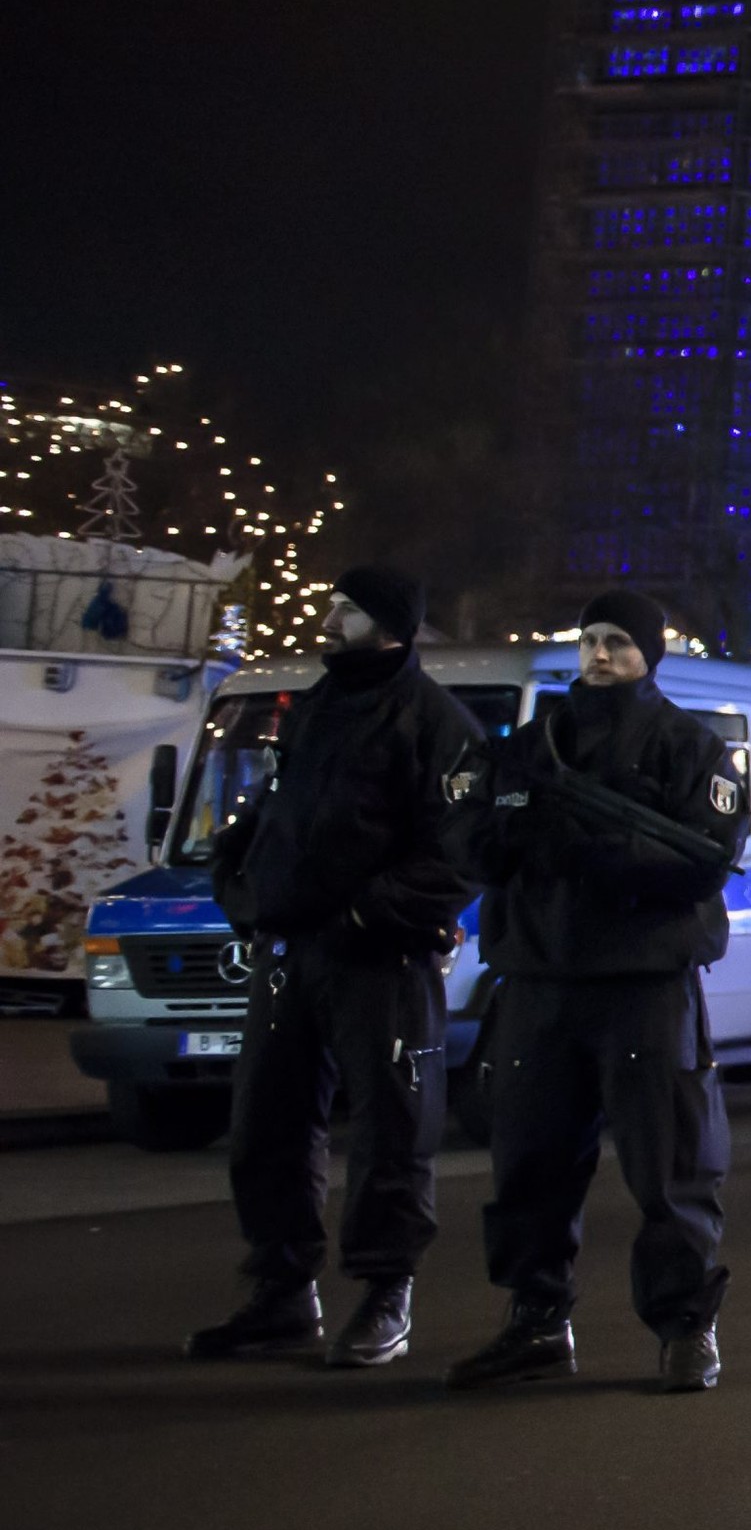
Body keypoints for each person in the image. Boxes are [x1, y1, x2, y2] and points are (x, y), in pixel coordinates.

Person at [186, 567, 488, 1367]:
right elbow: (271, 813)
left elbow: (461, 854)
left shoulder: (436, 723)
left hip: (380, 960)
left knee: (391, 1133)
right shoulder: (316, 708)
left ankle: (386, 1294)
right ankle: (281, 1292)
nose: (330, 619)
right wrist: (240, 885)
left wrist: (368, 912)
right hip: (289, 954)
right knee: (265, 1128)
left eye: (347, 609)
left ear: (389, 622)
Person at [451, 593, 749, 1394]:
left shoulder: (689, 749)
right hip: (540, 983)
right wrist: (515, 832)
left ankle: (686, 1327)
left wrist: (593, 850)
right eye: (588, 640)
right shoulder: (527, 750)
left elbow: (705, 858)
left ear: (649, 654)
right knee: (529, 1164)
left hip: (643, 988)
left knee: (671, 1169)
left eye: (617, 641)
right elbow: (469, 842)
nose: (600, 654)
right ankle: (537, 1319)